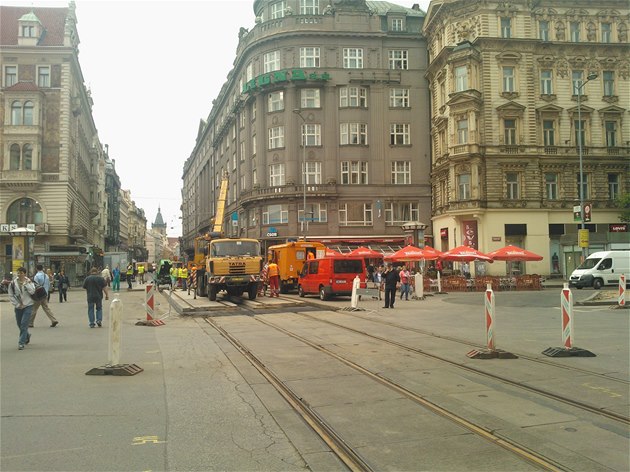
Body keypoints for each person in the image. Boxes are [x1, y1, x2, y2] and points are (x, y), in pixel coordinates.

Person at [8, 267, 35, 349]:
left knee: (24, 324)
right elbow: (11, 295)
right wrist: (17, 304)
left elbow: (32, 291)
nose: (19, 274)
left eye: (21, 273)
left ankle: (21, 343)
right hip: (18, 306)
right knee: (19, 324)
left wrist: (26, 284)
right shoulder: (12, 283)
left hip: (28, 305)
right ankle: (27, 335)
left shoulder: (29, 281)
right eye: (18, 273)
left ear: (25, 274)